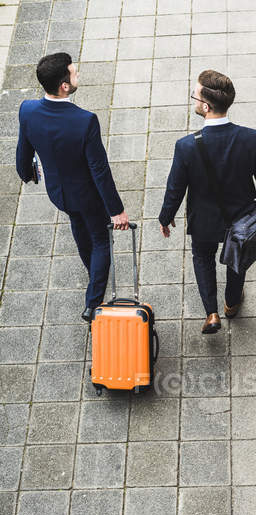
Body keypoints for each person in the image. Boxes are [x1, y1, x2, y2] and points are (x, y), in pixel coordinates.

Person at [159, 69, 256, 334]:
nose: (193, 100)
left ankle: (212, 313)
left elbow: (175, 188)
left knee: (202, 256)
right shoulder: (250, 138)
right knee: (237, 258)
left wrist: (166, 216)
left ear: (206, 106)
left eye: (194, 96)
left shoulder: (186, 146)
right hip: (242, 217)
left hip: (204, 220)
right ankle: (231, 303)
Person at [16, 52, 128, 323]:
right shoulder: (84, 121)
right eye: (74, 72)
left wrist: (26, 174)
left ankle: (94, 276)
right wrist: (116, 210)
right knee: (102, 240)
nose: (78, 74)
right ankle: (93, 303)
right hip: (87, 196)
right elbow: (99, 170)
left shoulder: (27, 110)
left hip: (58, 193)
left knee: (79, 228)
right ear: (64, 85)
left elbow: (23, 152)